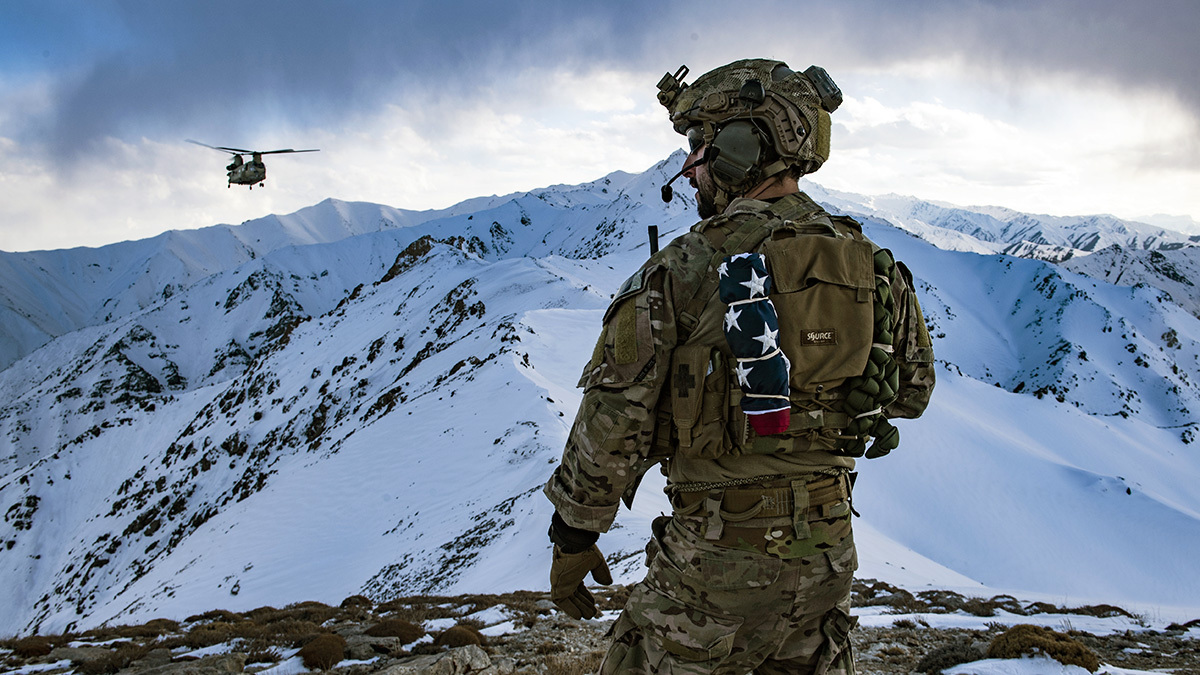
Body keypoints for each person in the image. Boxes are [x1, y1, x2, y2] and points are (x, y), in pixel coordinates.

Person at [543, 58, 935, 675]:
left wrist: (573, 535)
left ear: (737, 146)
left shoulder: (684, 265)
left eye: (698, 149)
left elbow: (613, 420)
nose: (691, 169)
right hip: (828, 560)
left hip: (714, 569)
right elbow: (911, 392)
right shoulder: (871, 261)